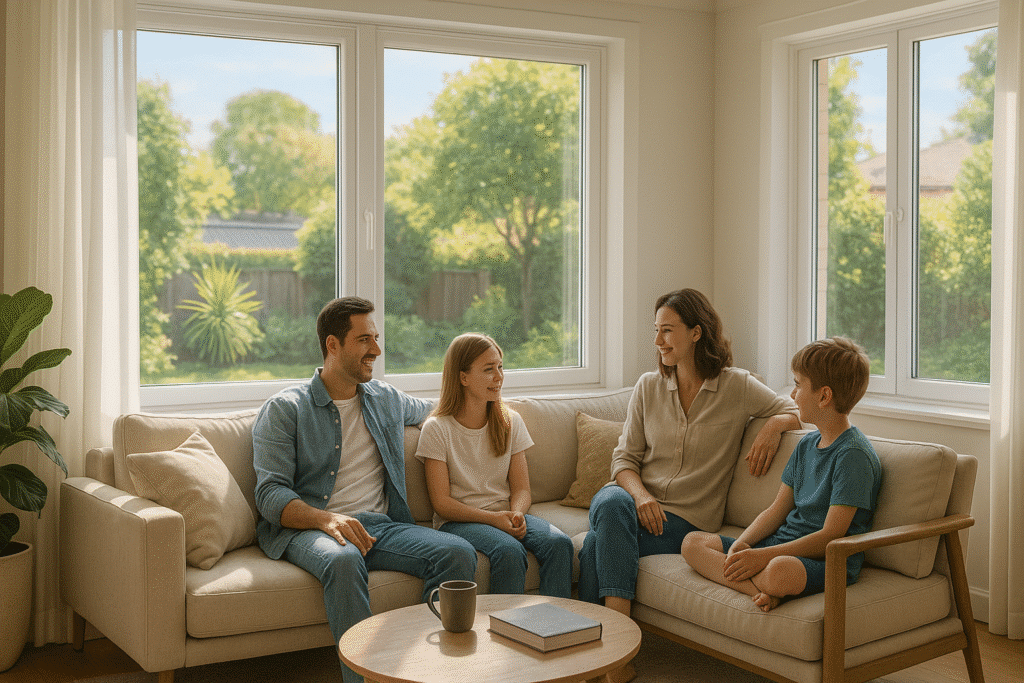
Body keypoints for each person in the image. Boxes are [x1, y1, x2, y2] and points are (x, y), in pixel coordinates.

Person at [252, 297, 477, 683]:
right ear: (332, 345)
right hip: (311, 529)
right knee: (343, 560)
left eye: (376, 338)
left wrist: (494, 405)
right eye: (364, 340)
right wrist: (328, 520)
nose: (376, 349)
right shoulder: (285, 409)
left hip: (381, 527)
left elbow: (439, 410)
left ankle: (430, 672)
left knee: (457, 552)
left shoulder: (386, 399)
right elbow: (270, 495)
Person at [577, 288, 802, 671]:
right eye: (656, 330)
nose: (657, 341)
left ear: (696, 332)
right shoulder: (648, 387)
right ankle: (614, 656)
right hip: (630, 503)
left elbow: (796, 408)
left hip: (686, 521)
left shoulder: (737, 386)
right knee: (612, 503)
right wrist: (642, 497)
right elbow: (623, 459)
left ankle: (597, 654)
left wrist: (774, 425)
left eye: (667, 330)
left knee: (596, 542)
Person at [680, 336, 882, 612]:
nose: (792, 395)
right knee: (692, 543)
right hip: (779, 545)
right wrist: (743, 543)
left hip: (823, 560)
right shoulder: (806, 445)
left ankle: (770, 586)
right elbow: (776, 511)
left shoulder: (853, 456)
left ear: (824, 396)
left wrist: (763, 556)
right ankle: (765, 591)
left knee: (778, 571)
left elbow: (830, 536)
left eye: (798, 384)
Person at [416, 333, 573, 597]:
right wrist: (493, 519)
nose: (499, 376)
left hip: (505, 514)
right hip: (458, 521)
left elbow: (522, 489)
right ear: (463, 377)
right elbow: (442, 504)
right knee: (509, 550)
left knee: (559, 543)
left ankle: (553, 620)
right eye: (488, 369)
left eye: (500, 367)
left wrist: (517, 513)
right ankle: (502, 623)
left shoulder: (510, 422)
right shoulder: (437, 429)